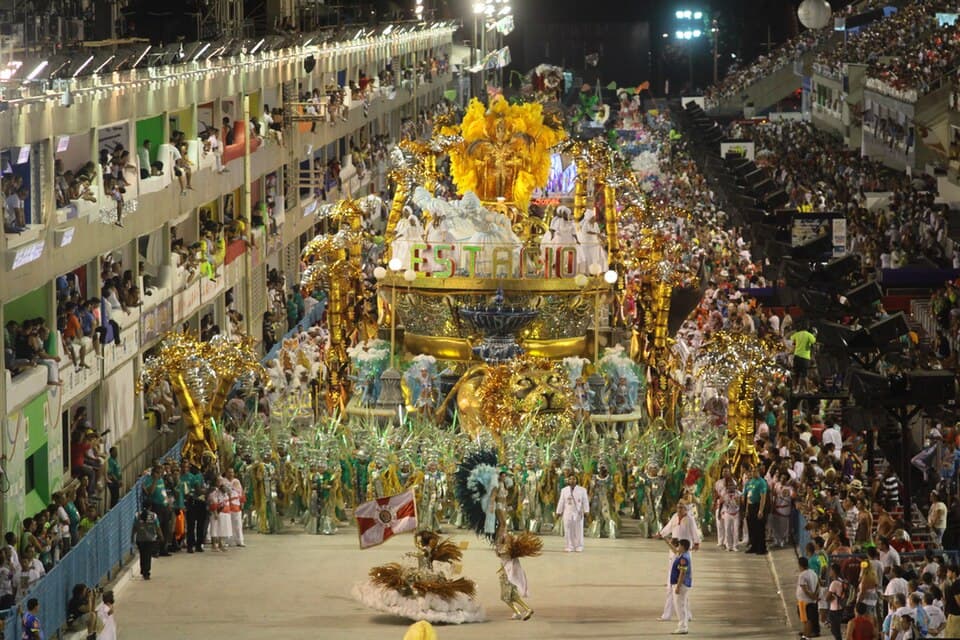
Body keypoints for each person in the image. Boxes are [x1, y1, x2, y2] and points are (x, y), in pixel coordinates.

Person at [657, 501, 701, 623]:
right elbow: (668, 527)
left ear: (686, 509)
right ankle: (667, 614)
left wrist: (697, 543)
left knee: (683, 586)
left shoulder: (689, 520)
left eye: (681, 508)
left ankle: (687, 614)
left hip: (685, 553)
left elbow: (695, 532)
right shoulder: (675, 517)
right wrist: (661, 534)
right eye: (677, 507)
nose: (679, 509)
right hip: (674, 552)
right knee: (670, 585)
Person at [555, 472, 589, 553]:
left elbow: (585, 501)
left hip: (578, 512)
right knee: (568, 530)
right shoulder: (564, 490)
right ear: (568, 480)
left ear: (577, 480)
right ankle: (569, 546)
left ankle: (579, 546)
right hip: (567, 512)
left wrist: (586, 511)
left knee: (578, 530)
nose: (572, 480)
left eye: (574, 479)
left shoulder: (582, 490)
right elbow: (561, 501)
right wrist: (558, 512)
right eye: (570, 479)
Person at [131, 507, 162, 580]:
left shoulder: (137, 515)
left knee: (142, 555)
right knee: (148, 556)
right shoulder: (153, 516)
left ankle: (143, 570)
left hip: (140, 539)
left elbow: (134, 527)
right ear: (150, 507)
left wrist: (132, 537)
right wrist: (161, 536)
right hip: (150, 539)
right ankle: (146, 572)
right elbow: (157, 527)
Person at [669, 538, 693, 635]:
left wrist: (678, 586)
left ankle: (683, 627)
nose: (678, 547)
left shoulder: (684, 558)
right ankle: (683, 625)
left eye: (679, 545)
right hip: (683, 584)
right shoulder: (684, 555)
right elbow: (675, 550)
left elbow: (682, 573)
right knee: (682, 605)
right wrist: (667, 541)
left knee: (680, 606)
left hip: (681, 585)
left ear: (683, 547)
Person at [743, 465, 768, 554]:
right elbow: (748, 496)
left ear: (759, 472)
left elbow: (763, 497)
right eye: (752, 471)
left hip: (758, 506)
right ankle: (753, 546)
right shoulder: (750, 482)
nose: (753, 473)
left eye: (755, 471)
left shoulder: (762, 482)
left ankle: (761, 548)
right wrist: (746, 509)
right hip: (750, 506)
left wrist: (761, 510)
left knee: (759, 528)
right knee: (752, 528)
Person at [797, 556, 821, 639]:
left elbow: (805, 589)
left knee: (806, 619)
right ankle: (806, 632)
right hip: (811, 600)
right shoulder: (813, 572)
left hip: (804, 601)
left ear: (800, 565)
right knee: (809, 618)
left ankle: (806, 635)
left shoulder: (802, 575)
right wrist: (815, 594)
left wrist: (812, 596)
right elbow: (818, 584)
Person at [790, 326, 817, 393]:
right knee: (804, 375)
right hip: (805, 358)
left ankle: (795, 389)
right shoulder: (809, 335)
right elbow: (814, 341)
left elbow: (790, 337)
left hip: (797, 356)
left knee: (796, 374)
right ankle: (806, 390)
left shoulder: (797, 334)